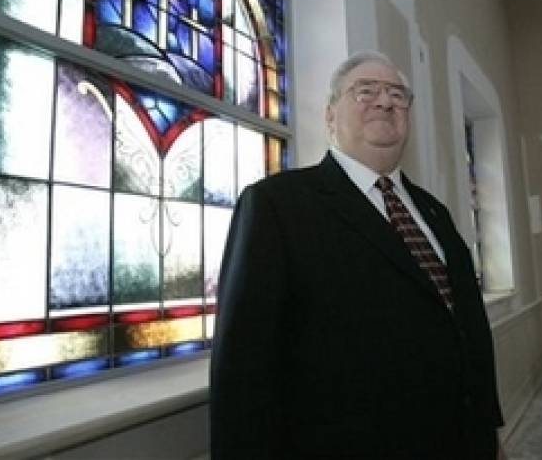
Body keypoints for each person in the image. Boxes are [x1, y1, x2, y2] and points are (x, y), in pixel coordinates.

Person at [210, 50, 508, 459]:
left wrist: (487, 434)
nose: (385, 102)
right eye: (365, 91)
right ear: (331, 115)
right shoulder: (277, 205)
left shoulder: (434, 211)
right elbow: (243, 368)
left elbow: (466, 328)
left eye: (397, 95)